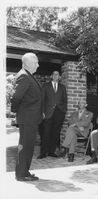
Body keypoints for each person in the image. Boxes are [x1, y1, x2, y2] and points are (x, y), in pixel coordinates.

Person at [11, 52, 42, 181]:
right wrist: (16, 111)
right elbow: (16, 97)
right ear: (28, 63)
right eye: (36, 63)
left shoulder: (28, 75)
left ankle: (24, 171)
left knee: (28, 145)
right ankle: (21, 174)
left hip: (30, 118)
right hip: (28, 118)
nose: (38, 65)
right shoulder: (24, 76)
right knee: (25, 146)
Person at [38, 71, 67, 159]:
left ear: (59, 77)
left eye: (57, 74)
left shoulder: (62, 87)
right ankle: (43, 153)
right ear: (51, 76)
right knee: (45, 133)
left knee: (55, 133)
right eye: (54, 74)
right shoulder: (46, 86)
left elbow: (65, 100)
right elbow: (42, 100)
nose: (55, 75)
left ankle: (51, 152)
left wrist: (64, 111)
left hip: (59, 112)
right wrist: (42, 112)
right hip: (48, 113)